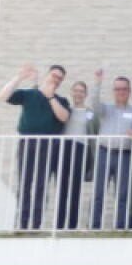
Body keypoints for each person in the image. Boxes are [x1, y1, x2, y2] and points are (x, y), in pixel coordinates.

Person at [0, 63, 72, 230]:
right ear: (47, 75)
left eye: (60, 78)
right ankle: (23, 224)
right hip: (28, 142)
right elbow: (2, 96)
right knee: (25, 182)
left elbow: (64, 117)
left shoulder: (61, 100)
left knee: (41, 184)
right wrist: (19, 77)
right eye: (54, 75)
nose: (57, 79)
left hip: (48, 144)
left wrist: (51, 97)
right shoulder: (29, 94)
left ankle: (36, 224)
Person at [90, 71, 132, 229]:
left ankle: (120, 226)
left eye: (124, 89)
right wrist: (98, 83)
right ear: (114, 91)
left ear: (129, 91)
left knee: (122, 194)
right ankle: (95, 226)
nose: (121, 92)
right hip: (104, 153)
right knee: (98, 192)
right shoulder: (106, 109)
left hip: (125, 155)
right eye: (117, 89)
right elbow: (94, 103)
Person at [55, 77, 98, 231]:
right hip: (64, 148)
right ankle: (59, 225)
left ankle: (72, 226)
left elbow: (95, 130)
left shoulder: (89, 113)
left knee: (75, 188)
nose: (79, 94)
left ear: (85, 94)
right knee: (62, 188)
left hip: (81, 149)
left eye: (82, 91)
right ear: (72, 92)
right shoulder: (66, 109)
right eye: (76, 90)